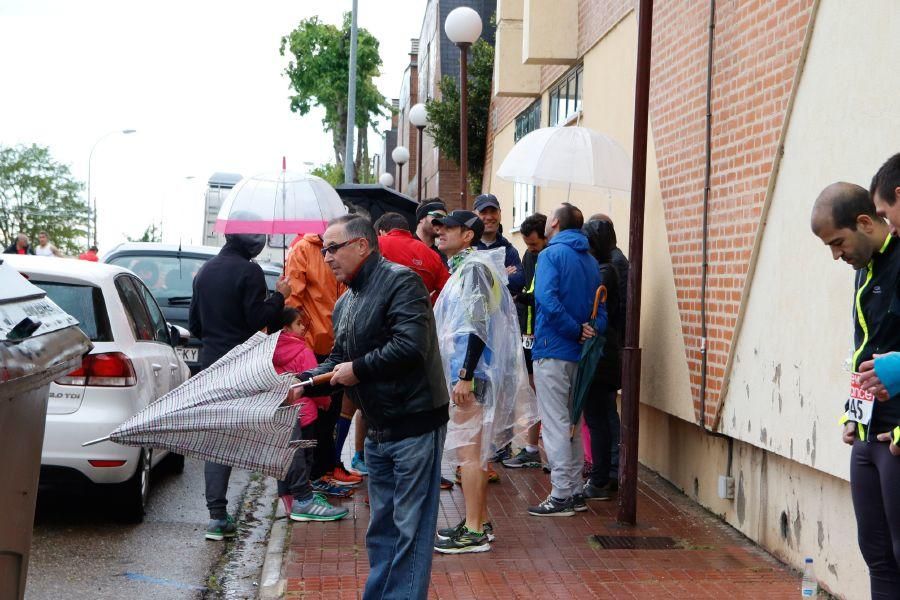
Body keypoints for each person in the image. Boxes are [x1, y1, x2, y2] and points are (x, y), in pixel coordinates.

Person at [296, 214, 449, 600]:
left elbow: (410, 346)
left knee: (409, 529)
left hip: (415, 423)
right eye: (324, 249)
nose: (326, 257)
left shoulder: (402, 281)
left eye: (333, 248)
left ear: (362, 245)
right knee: (381, 528)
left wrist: (358, 371)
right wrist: (303, 384)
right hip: (379, 429)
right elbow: (338, 359)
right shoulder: (347, 300)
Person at [810, 181, 900, 599]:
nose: (835, 255)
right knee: (876, 555)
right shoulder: (863, 267)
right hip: (866, 435)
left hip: (896, 439)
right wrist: (853, 409)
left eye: (837, 242)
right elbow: (865, 350)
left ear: (865, 223)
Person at [431, 210, 538, 554]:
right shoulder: (468, 267)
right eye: (439, 227)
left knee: (470, 455)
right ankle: (479, 520)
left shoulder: (473, 269)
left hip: (471, 375)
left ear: (468, 235)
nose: (440, 232)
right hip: (469, 372)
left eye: (449, 227)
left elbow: (476, 325)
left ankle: (475, 530)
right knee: (471, 453)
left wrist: (464, 375)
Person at [188, 232, 291, 541]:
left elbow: (195, 325)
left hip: (211, 364)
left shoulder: (205, 271)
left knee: (218, 435)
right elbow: (256, 319)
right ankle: (294, 495)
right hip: (241, 365)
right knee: (271, 425)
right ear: (251, 243)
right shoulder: (250, 271)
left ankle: (217, 515)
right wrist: (279, 296)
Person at [527, 203, 603, 517]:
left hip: (554, 348)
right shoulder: (591, 261)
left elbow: (545, 298)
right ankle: (572, 492)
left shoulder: (549, 255)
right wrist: (588, 330)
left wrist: (573, 329)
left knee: (556, 424)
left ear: (555, 222)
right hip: (580, 353)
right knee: (572, 422)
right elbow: (601, 302)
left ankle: (561, 494)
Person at [283, 232, 359, 488]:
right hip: (313, 345)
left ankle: (325, 468)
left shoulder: (342, 248)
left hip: (339, 342)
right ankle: (314, 475)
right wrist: (297, 335)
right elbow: (293, 297)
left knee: (332, 410)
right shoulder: (304, 249)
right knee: (315, 413)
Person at [272, 307, 348, 522]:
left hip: (281, 411)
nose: (303, 327)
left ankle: (288, 500)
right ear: (287, 327)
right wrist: (325, 402)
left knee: (285, 459)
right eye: (298, 324)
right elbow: (314, 381)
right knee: (304, 458)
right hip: (305, 413)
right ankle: (303, 499)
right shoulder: (302, 350)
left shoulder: (271, 351)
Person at [580, 218, 623, 501]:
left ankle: (601, 479)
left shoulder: (604, 272)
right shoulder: (610, 267)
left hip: (601, 354)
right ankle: (606, 475)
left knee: (598, 418)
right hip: (609, 352)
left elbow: (590, 307)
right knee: (603, 415)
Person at [503, 213, 548, 469]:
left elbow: (539, 294)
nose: (530, 249)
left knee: (543, 392)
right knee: (532, 390)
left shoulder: (550, 256)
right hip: (527, 332)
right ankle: (531, 448)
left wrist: (523, 297)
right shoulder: (529, 256)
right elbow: (523, 286)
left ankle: (540, 450)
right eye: (527, 244)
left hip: (544, 334)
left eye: (533, 244)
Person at [374, 211, 449, 302]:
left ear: (381, 232)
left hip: (380, 310)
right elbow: (446, 290)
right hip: (418, 312)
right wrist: (427, 303)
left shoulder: (376, 244)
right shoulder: (433, 255)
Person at [473, 194, 525, 297]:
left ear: (500, 214)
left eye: (493, 211)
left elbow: (518, 283)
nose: (489, 217)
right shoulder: (467, 247)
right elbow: (467, 284)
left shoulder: (509, 250)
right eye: (483, 212)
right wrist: (501, 275)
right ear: (474, 215)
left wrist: (484, 278)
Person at [415, 198, 449, 263]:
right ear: (421, 218)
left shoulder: (442, 257)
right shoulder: (404, 247)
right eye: (437, 216)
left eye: (444, 219)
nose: (441, 222)